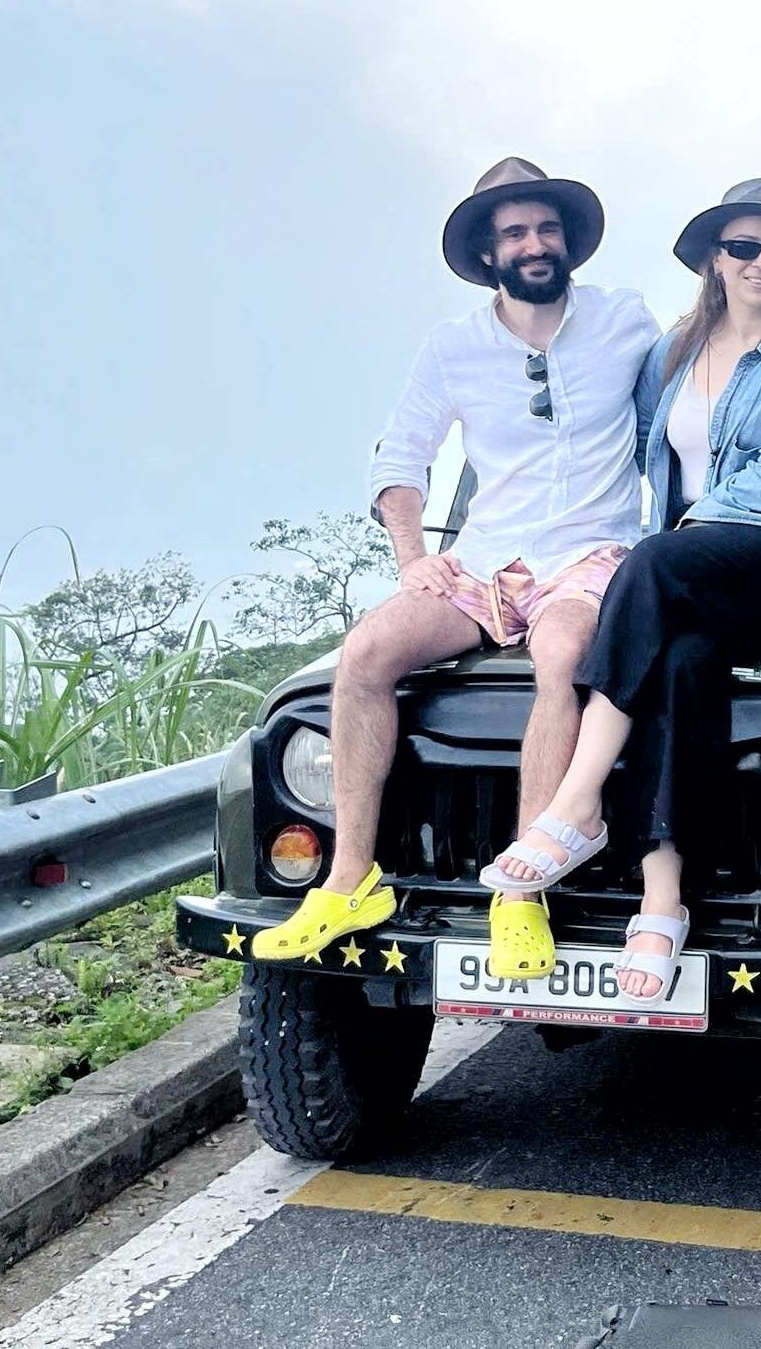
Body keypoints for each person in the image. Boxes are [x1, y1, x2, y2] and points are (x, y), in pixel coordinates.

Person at [251, 157, 658, 965]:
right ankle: (350, 879)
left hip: (590, 553)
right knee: (366, 652)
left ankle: (520, 893)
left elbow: (695, 397)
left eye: (547, 228)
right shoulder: (452, 348)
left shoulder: (626, 320)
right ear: (487, 252)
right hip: (483, 559)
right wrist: (413, 559)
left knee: (563, 656)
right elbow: (400, 456)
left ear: (568, 240)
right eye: (516, 233)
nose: (535, 244)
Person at [483, 178, 761, 1004]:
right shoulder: (672, 355)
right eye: (744, 247)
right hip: (693, 571)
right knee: (679, 659)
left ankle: (576, 804)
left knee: (650, 565)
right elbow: (620, 445)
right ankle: (661, 902)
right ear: (713, 260)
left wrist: (678, 538)